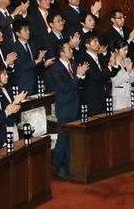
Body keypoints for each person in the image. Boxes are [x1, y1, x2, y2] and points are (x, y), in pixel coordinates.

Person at [48, 39, 89, 179]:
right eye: (69, 48)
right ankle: (57, 166)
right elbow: (65, 88)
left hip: (75, 104)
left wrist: (81, 75)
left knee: (72, 138)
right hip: (64, 106)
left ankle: (69, 164)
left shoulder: (72, 63)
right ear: (61, 52)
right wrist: (78, 75)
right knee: (63, 138)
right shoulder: (56, 68)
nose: (72, 50)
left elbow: (78, 83)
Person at [81, 32, 120, 115]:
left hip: (104, 95)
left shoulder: (100, 56)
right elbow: (96, 76)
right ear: (87, 45)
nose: (98, 44)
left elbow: (110, 74)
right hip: (93, 98)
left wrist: (114, 63)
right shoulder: (84, 58)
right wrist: (109, 66)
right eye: (95, 42)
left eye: (98, 41)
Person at [12, 18, 52, 95]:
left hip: (36, 83)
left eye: (28, 29)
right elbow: (20, 66)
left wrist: (44, 63)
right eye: (25, 30)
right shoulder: (14, 47)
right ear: (17, 33)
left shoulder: (33, 44)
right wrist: (37, 61)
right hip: (23, 84)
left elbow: (38, 62)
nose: (28, 32)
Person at [110, 39, 134, 110]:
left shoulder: (128, 60)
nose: (126, 52)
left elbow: (131, 80)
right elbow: (116, 82)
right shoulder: (113, 62)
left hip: (129, 92)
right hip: (119, 95)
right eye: (124, 50)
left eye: (127, 49)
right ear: (116, 50)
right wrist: (128, 72)